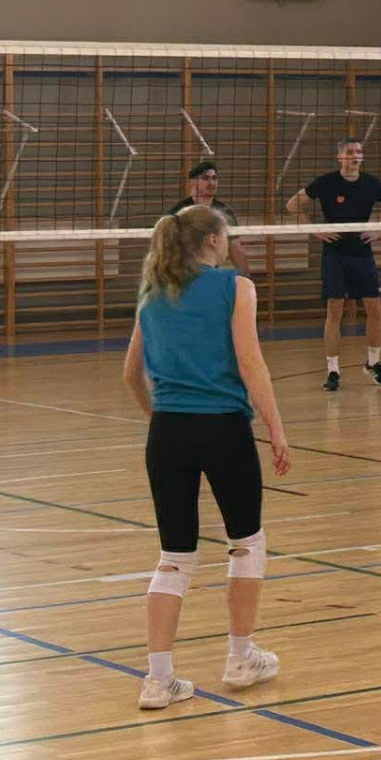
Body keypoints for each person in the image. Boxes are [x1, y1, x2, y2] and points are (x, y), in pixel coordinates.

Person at [120, 205, 291, 710]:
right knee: (246, 542)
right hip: (223, 428)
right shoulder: (235, 287)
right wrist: (276, 428)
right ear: (214, 240)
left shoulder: (152, 292)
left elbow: (130, 373)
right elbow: (250, 361)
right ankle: (240, 658)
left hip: (168, 432)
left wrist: (160, 416)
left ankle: (158, 680)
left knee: (174, 557)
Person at [284, 138, 381, 392]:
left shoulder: (372, 183)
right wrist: (316, 230)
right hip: (335, 253)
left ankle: (373, 363)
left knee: (375, 309)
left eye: (359, 152)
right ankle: (333, 370)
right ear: (340, 157)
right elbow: (292, 205)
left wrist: (378, 229)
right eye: (350, 152)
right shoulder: (326, 183)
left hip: (362, 252)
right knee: (335, 310)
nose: (355, 156)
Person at [168, 161, 249, 276]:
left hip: (211, 273)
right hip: (184, 274)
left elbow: (236, 248)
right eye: (205, 178)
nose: (211, 183)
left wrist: (246, 278)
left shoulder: (224, 211)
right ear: (193, 182)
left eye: (214, 178)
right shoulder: (179, 212)